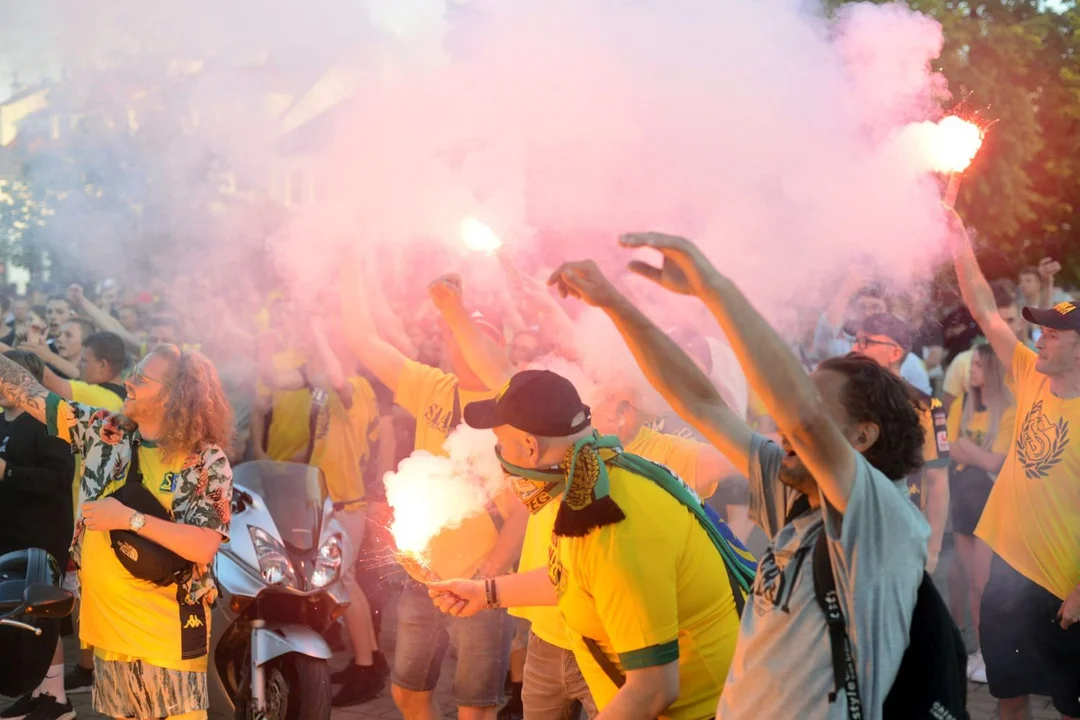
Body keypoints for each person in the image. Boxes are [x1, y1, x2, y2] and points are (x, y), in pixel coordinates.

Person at [556, 234, 928, 718]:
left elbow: (802, 419)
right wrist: (614, 304)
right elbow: (700, 401)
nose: (779, 426)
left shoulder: (881, 517)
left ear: (861, 437)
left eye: (809, 411)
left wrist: (713, 288)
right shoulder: (796, 492)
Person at [428, 367, 753, 720]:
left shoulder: (612, 529)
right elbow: (575, 579)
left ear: (530, 447)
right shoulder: (600, 478)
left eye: (502, 445)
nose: (500, 459)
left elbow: (654, 687)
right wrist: (486, 593)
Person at [0, 343, 233, 720]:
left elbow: (204, 544)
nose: (128, 381)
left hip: (163, 638)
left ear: (173, 395)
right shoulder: (105, 430)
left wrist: (127, 518)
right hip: (109, 634)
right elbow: (28, 393)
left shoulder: (205, 460)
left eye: (141, 378)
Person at [343, 271, 524, 720]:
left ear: (499, 347)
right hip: (421, 578)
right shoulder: (433, 387)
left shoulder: (516, 403)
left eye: (481, 337)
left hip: (483, 584)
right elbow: (363, 340)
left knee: (475, 707)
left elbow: (523, 509)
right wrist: (349, 268)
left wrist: (489, 574)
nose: (466, 347)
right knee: (407, 691)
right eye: (460, 335)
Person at [946, 207, 1080, 720]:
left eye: (1051, 334)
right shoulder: (1028, 374)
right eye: (1040, 332)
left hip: (1064, 583)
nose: (1038, 339)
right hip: (1008, 574)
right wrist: (959, 238)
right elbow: (984, 308)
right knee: (1008, 694)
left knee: (1071, 705)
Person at [0, 351, 76, 720]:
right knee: (17, 616)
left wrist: (8, 472)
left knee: (43, 615)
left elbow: (59, 478)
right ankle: (35, 688)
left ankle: (57, 699)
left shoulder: (49, 421)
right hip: (8, 534)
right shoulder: (1, 420)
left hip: (41, 536)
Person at [853, 313, 950, 572]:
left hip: (903, 535)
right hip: (850, 531)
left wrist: (933, 551)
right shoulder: (844, 402)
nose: (854, 348)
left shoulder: (925, 408)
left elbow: (937, 481)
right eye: (855, 339)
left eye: (865, 341)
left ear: (894, 352)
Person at [944, 343, 1015, 684]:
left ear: (993, 369)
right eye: (970, 364)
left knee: (988, 584)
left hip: (991, 502)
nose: (970, 370)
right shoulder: (961, 402)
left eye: (977, 365)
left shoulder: (1008, 410)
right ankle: (983, 651)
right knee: (973, 582)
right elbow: (948, 445)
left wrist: (964, 449)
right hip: (963, 502)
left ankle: (999, 651)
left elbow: (994, 462)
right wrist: (974, 451)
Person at [940, 280, 1026, 414]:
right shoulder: (963, 363)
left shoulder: (1031, 363)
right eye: (999, 321)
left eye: (1010, 320)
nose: (1005, 328)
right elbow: (947, 413)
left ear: (1020, 323)